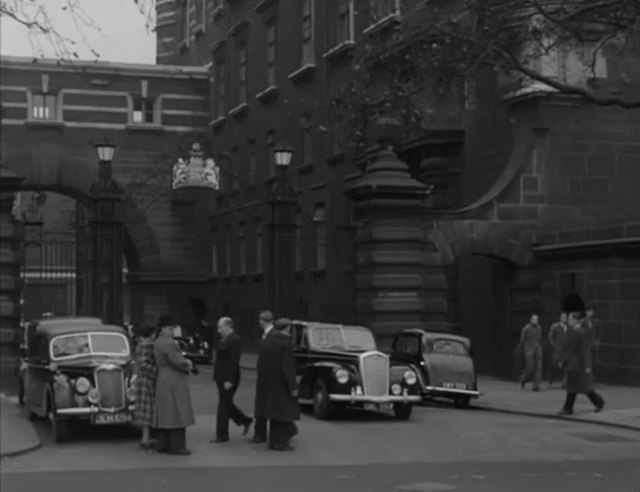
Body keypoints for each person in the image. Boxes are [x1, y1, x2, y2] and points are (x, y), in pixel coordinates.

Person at [153, 323, 196, 455]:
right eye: (170, 328)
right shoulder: (169, 343)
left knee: (164, 412)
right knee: (177, 411)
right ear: (163, 329)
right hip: (173, 378)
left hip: (162, 377)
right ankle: (177, 446)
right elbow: (178, 361)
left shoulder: (158, 342)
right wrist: (188, 363)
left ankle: (163, 444)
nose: (172, 331)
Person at [211, 317, 252, 443]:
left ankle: (222, 434)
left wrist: (229, 379)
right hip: (220, 376)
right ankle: (245, 420)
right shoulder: (224, 339)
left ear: (228, 326)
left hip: (229, 378)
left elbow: (233, 361)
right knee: (227, 404)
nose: (218, 330)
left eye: (220, 327)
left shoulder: (235, 340)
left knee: (223, 405)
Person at [261, 318, 300, 451]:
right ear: (286, 328)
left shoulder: (267, 341)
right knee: (283, 413)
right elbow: (287, 367)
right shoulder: (285, 344)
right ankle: (281, 442)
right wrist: (293, 386)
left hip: (269, 382)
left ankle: (273, 440)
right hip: (282, 383)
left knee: (274, 414)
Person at [558, 311, 605, 416]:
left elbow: (586, 350)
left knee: (585, 388)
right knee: (572, 388)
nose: (568, 321)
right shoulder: (569, 331)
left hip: (580, 366)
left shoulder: (582, 333)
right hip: (572, 365)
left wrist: (587, 365)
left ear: (575, 320)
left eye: (570, 319)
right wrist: (563, 361)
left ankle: (599, 403)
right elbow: (567, 349)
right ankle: (568, 409)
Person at [250, 310, 275, 444]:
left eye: (260, 320)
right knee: (261, 404)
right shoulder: (265, 335)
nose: (259, 322)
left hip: (268, 376)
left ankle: (260, 434)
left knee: (264, 405)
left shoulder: (271, 335)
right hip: (263, 375)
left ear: (263, 320)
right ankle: (259, 433)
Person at [132, 325, 158, 450]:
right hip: (148, 381)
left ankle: (145, 437)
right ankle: (146, 438)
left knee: (144, 409)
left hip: (142, 379)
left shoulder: (140, 346)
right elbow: (144, 363)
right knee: (148, 409)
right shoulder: (147, 346)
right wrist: (157, 372)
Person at [518, 313, 543, 391]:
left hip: (537, 348)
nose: (535, 321)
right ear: (531, 320)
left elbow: (539, 337)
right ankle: (523, 379)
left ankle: (536, 385)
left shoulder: (539, 327)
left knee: (539, 366)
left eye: (537, 319)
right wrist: (524, 348)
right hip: (529, 348)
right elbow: (522, 340)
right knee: (530, 367)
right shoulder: (526, 328)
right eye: (534, 319)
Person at [548, 312, 568, 388]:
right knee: (554, 366)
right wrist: (554, 345)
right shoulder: (555, 326)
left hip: (566, 350)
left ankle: (564, 383)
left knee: (566, 367)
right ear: (560, 318)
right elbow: (550, 337)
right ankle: (550, 380)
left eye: (565, 317)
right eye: (562, 317)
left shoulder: (569, 326)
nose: (564, 319)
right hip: (557, 350)